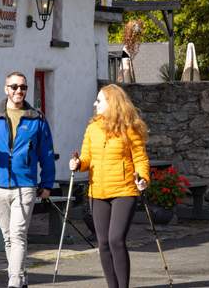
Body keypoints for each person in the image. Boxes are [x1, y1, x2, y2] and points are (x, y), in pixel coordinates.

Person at [0, 71, 55, 288]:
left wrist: (47, 184)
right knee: (8, 237)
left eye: (23, 87)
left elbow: (46, 154)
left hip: (25, 185)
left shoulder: (37, 118)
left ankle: (14, 281)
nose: (19, 91)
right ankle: (22, 277)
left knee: (17, 234)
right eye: (15, 86)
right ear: (6, 89)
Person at [69, 84, 149, 288]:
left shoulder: (130, 127)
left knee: (115, 240)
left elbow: (140, 158)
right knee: (103, 243)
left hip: (124, 190)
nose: (95, 104)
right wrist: (78, 164)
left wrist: (143, 179)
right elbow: (87, 157)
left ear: (112, 102)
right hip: (98, 191)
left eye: (99, 100)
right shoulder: (92, 128)